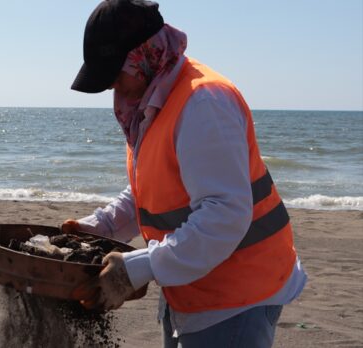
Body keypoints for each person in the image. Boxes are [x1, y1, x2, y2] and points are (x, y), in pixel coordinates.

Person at [63, 0, 307, 347]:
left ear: (143, 53)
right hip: (190, 286)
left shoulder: (203, 103)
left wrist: (136, 269)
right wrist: (100, 227)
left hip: (236, 297)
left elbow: (223, 215)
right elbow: (152, 190)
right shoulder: (151, 103)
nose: (113, 88)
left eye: (116, 74)